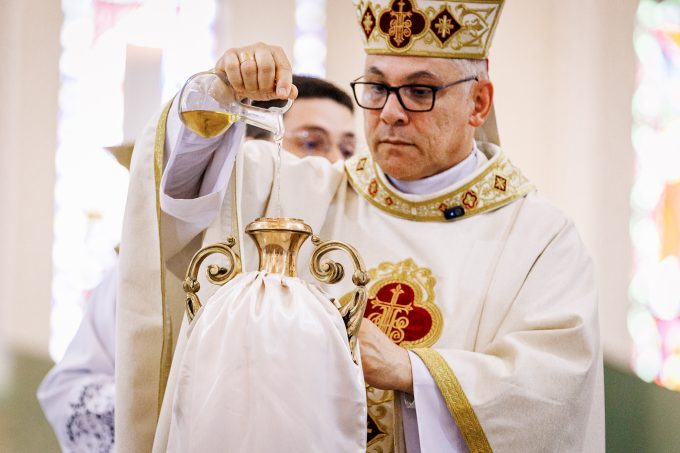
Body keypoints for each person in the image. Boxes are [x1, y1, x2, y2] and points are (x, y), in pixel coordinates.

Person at [116, 0, 605, 451]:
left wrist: (411, 371)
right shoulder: (300, 192)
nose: (390, 113)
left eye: (419, 91)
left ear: (478, 103)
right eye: (376, 87)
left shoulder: (541, 239)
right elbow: (179, 198)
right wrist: (216, 95)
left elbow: (552, 392)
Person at [36, 75, 357, 453]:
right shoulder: (165, 262)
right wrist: (172, 405)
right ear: (249, 151)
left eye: (347, 149)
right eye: (311, 143)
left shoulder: (338, 262)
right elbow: (68, 388)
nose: (333, 163)